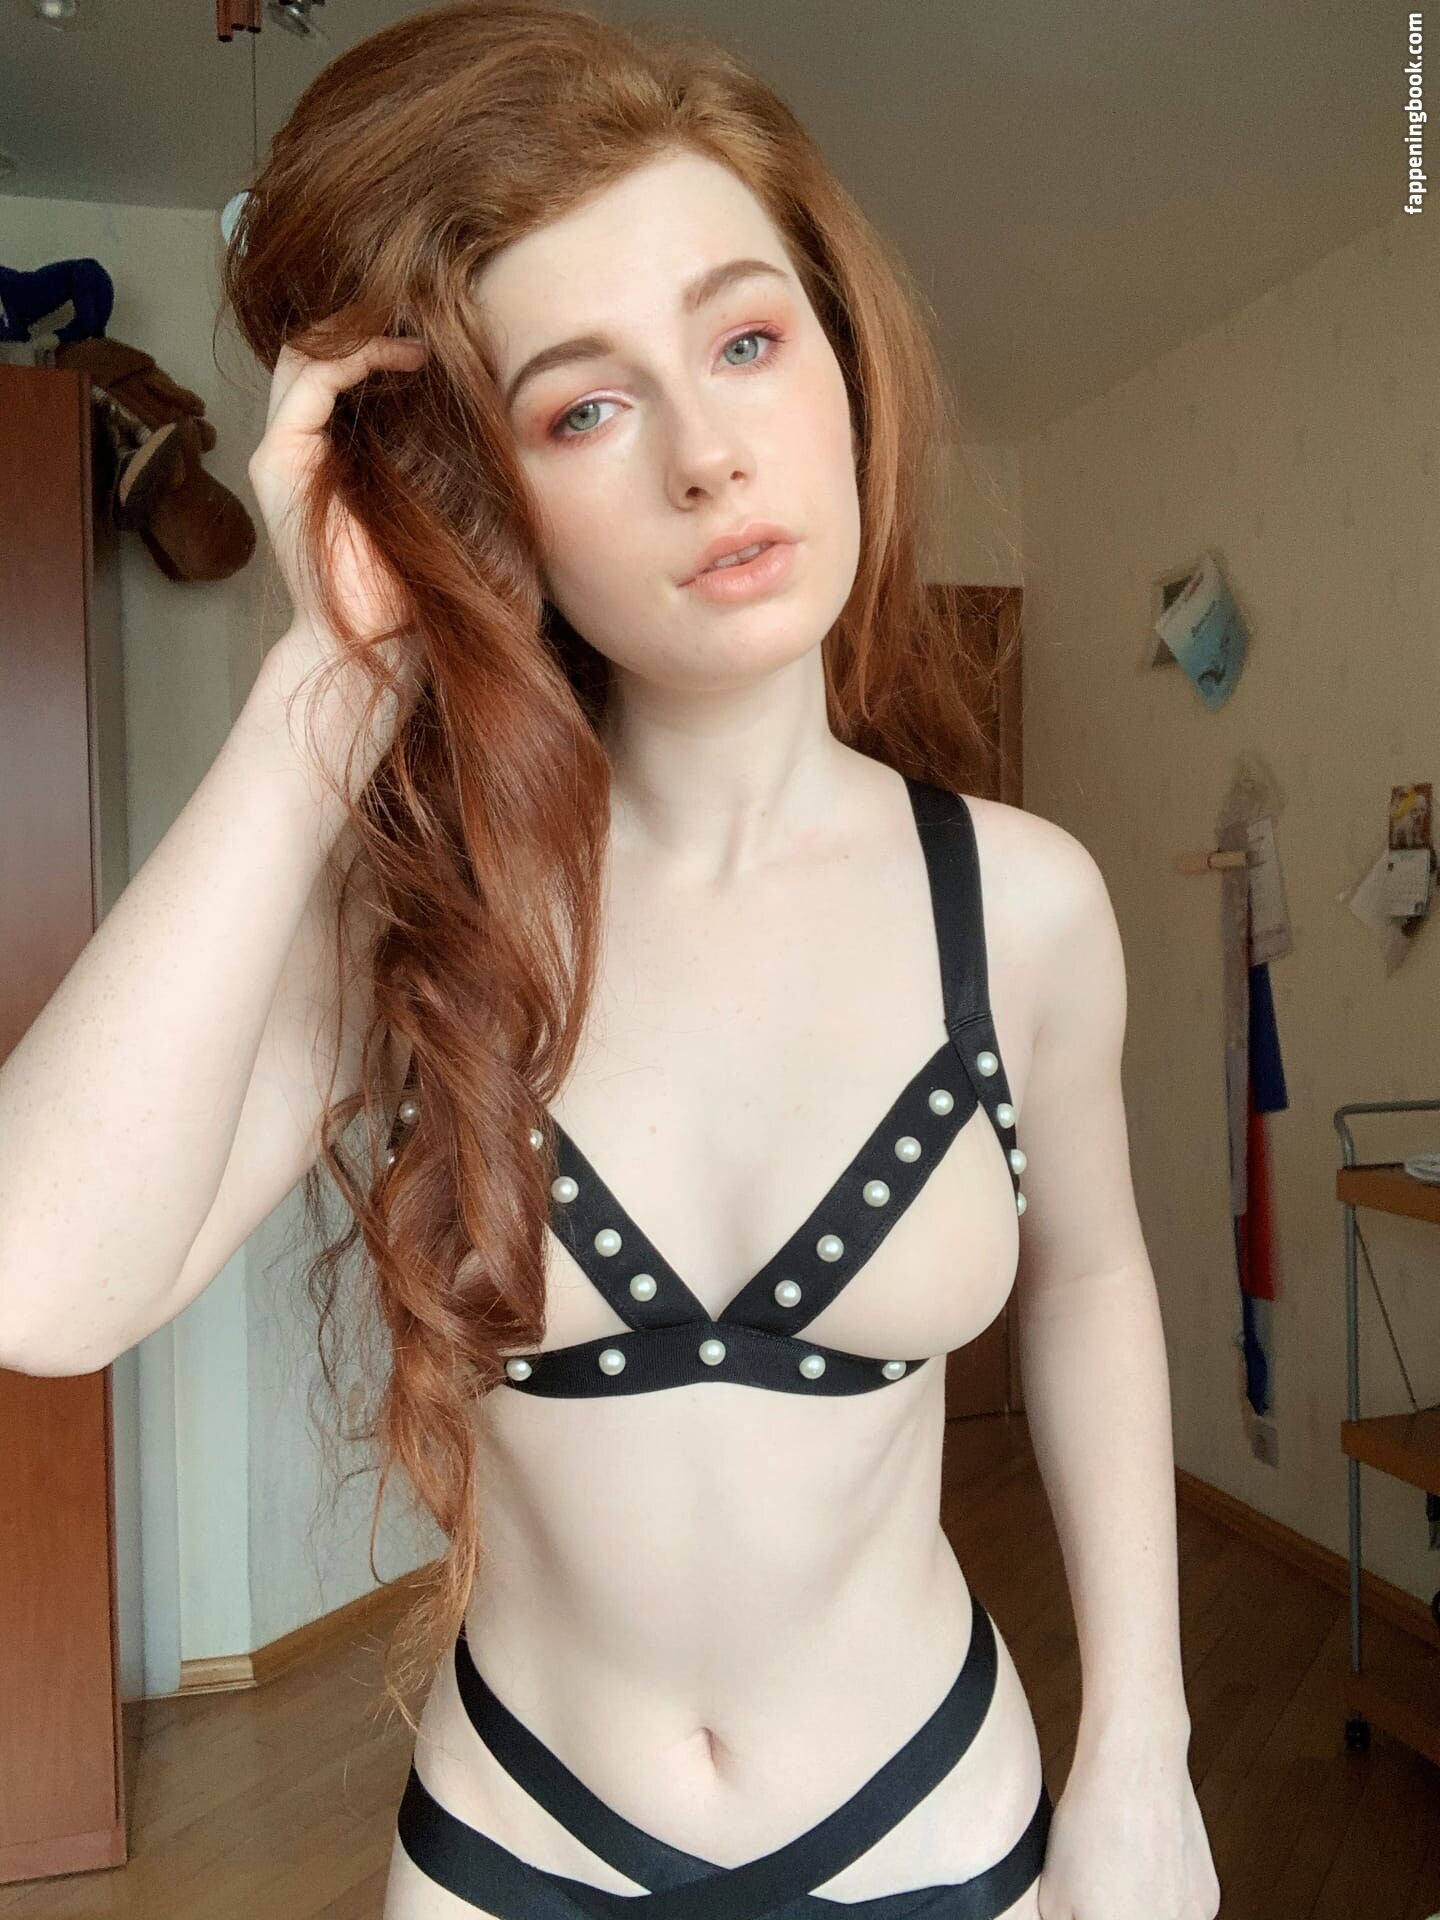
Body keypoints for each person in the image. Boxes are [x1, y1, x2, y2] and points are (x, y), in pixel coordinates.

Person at [0, 3, 1219, 1914]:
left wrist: (1141, 1749)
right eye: (584, 406)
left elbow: (1091, 1281)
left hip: (930, 1820)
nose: (710, 456)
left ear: (842, 363)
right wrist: (325, 677)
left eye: (745, 341)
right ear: (484, 497)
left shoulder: (1024, 903)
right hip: (515, 1847)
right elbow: (37, 1285)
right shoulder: (420, 910)